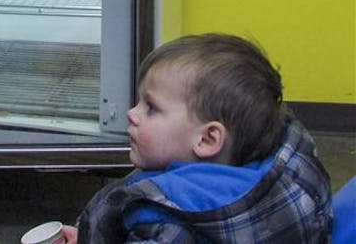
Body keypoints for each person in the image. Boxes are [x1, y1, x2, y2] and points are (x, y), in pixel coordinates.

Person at [61, 33, 334, 243]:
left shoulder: (168, 224)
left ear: (207, 140)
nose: (132, 113)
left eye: (151, 107)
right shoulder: (279, 181)